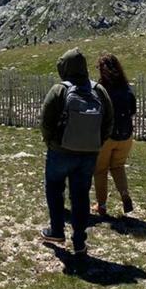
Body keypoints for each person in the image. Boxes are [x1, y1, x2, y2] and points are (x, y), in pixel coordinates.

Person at [39, 48, 113, 255]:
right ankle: (79, 241)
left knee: (54, 189)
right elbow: (109, 122)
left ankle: (56, 230)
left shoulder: (59, 90)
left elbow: (46, 121)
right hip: (89, 154)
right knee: (80, 195)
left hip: (60, 151)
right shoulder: (99, 90)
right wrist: (97, 143)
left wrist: (52, 142)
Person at [92, 54, 137, 216]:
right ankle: (124, 194)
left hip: (107, 137)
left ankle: (102, 205)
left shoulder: (100, 89)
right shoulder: (126, 88)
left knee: (100, 170)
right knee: (118, 167)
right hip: (126, 136)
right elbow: (133, 110)